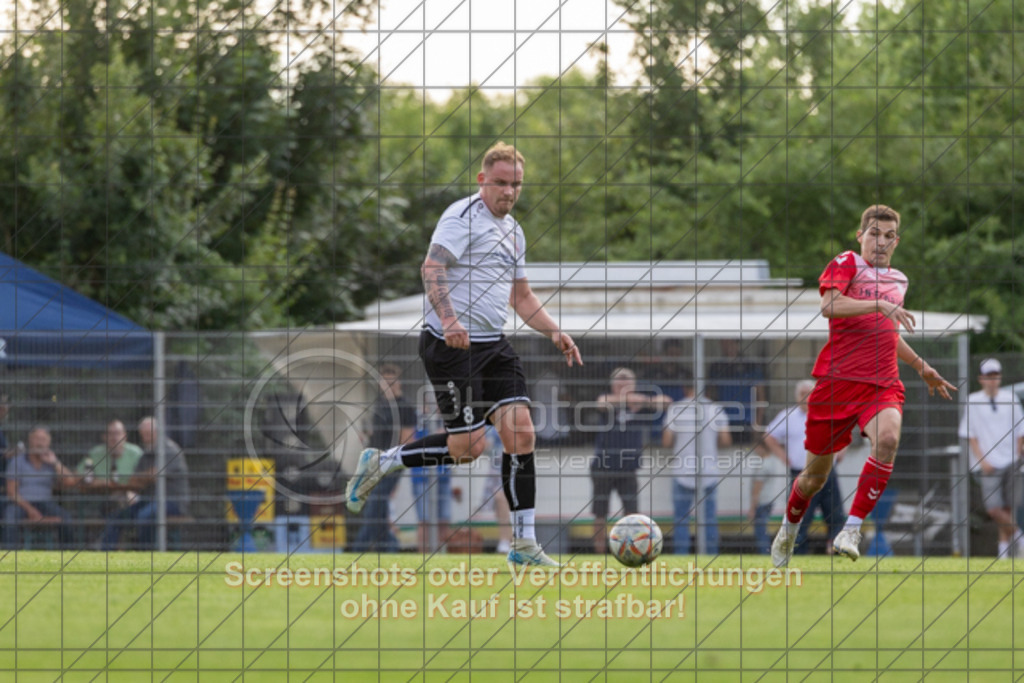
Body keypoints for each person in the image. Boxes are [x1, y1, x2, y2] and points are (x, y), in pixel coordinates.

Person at [345, 141, 583, 567]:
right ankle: (383, 462)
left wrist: (555, 332)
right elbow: (431, 268)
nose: (509, 192)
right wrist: (451, 320)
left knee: (522, 433)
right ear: (482, 180)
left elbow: (521, 295)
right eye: (501, 183)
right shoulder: (460, 217)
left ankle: (524, 543)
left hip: (494, 346)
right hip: (450, 346)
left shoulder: (514, 231)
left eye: (517, 185)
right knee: (469, 448)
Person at [771, 204, 956, 566]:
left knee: (887, 439)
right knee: (813, 480)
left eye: (889, 236)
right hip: (837, 385)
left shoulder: (899, 281)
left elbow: (889, 332)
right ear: (861, 236)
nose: (881, 242)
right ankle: (788, 531)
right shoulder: (846, 263)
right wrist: (877, 306)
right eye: (874, 233)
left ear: (896, 241)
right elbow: (829, 305)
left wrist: (922, 366)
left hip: (882, 383)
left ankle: (851, 529)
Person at [591, 368, 670, 554]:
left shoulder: (640, 403)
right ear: (613, 384)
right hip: (604, 466)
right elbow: (601, 403)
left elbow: (667, 402)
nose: (623, 385)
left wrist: (642, 401)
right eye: (619, 381)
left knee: (632, 514)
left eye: (627, 381)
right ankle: (599, 554)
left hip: (628, 468)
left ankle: (632, 551)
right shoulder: (609, 401)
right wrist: (627, 400)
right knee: (600, 514)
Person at [764, 380, 847, 554]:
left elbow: (843, 432)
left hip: (826, 473)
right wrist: (782, 455)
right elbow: (769, 436)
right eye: (802, 393)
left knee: (835, 516)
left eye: (809, 393)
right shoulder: (788, 416)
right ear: (797, 397)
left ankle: (837, 553)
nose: (806, 397)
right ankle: (797, 555)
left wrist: (841, 450)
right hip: (800, 474)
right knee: (799, 518)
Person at [958, 358, 1024, 558]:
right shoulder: (973, 401)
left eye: (995, 375)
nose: (992, 380)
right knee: (994, 509)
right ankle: (1020, 538)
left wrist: (1019, 454)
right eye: (989, 376)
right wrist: (982, 460)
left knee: (1007, 508)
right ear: (981, 379)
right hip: (989, 465)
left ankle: (1003, 554)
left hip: (1011, 461)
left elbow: (1020, 429)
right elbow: (970, 434)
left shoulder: (1010, 398)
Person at [98, 417, 191, 550]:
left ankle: (147, 554)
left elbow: (152, 475)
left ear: (158, 432)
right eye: (143, 434)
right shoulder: (146, 454)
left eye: (149, 433)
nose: (145, 437)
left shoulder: (170, 450)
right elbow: (137, 479)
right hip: (150, 501)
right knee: (117, 517)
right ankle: (105, 555)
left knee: (144, 516)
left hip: (173, 502)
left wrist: (141, 478)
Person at [662, 377, 732, 555]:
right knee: (708, 519)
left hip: (682, 472)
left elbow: (667, 441)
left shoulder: (676, 409)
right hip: (708, 473)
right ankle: (709, 555)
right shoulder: (715, 409)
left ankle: (681, 558)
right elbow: (726, 440)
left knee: (681, 520)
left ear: (685, 389)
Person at [351, 364, 415, 553]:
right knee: (378, 513)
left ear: (398, 382)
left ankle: (357, 552)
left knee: (373, 511)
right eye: (384, 381)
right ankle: (389, 551)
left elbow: (407, 441)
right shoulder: (379, 404)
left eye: (391, 381)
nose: (388, 385)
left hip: (391, 465)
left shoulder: (405, 407)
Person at [4, 425, 77, 547]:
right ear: (30, 440)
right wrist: (30, 510)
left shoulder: (51, 462)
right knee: (9, 517)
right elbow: (11, 492)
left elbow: (70, 482)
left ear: (49, 442)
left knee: (66, 519)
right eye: (36, 439)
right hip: (21, 503)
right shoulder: (18, 461)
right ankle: (9, 555)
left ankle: (68, 554)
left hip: (45, 503)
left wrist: (55, 463)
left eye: (43, 439)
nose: (40, 443)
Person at [708, 338, 767, 452]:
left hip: (746, 422)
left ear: (737, 344)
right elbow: (708, 396)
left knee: (744, 455)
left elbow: (761, 397)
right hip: (722, 422)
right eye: (725, 342)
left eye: (731, 343)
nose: (728, 346)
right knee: (722, 455)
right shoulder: (716, 367)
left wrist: (757, 424)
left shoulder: (751, 366)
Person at [78, 419, 145, 514]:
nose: (114, 438)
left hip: (131, 496)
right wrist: (101, 483)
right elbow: (80, 477)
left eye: (117, 433)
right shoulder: (95, 453)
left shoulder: (136, 453)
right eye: (110, 434)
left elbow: (144, 480)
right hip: (100, 497)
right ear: (104, 437)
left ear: (124, 436)